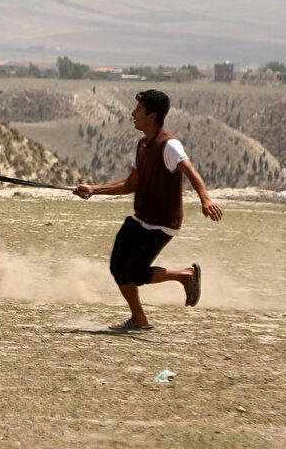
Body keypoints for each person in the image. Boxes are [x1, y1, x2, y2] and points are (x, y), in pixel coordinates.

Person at [73, 89, 222, 331]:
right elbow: (130, 185)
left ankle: (186, 275)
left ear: (151, 116)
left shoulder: (169, 145)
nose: (133, 114)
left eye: (138, 110)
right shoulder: (142, 144)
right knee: (118, 269)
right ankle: (139, 318)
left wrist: (205, 199)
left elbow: (191, 171)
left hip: (162, 223)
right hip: (140, 217)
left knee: (137, 273)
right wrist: (93, 189)